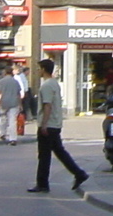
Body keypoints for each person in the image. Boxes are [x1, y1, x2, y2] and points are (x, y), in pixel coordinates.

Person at [29, 57, 88, 193]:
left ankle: (42, 183)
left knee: (44, 156)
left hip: (49, 125)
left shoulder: (46, 86)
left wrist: (44, 124)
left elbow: (47, 105)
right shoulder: (54, 83)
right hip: (55, 124)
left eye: (39, 69)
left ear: (43, 70)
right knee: (59, 152)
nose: (37, 71)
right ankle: (79, 173)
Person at [0, 63, 23, 144]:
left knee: (3, 118)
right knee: (12, 121)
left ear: (5, 72)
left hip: (4, 102)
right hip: (14, 103)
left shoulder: (1, 81)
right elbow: (18, 94)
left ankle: (2, 133)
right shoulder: (15, 82)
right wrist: (20, 104)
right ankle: (13, 139)